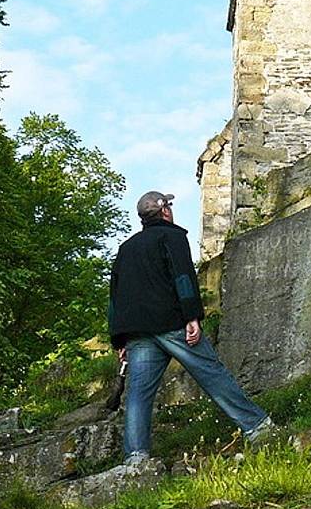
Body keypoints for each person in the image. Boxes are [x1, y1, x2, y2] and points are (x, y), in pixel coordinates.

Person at [109, 191, 273, 464]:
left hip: (136, 331)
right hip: (171, 323)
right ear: (164, 211)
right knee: (211, 373)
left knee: (138, 394)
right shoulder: (172, 236)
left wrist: (119, 340)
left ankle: (136, 458)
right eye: (169, 205)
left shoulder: (126, 248)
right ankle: (257, 427)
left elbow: (115, 296)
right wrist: (192, 316)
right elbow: (182, 277)